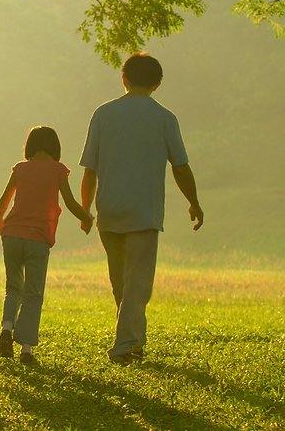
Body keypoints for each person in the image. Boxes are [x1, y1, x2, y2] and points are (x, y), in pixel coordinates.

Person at [79, 52, 204, 363]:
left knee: (120, 281)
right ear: (157, 85)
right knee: (137, 282)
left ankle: (134, 340)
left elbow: (89, 169)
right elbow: (180, 166)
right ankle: (124, 345)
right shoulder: (164, 117)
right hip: (144, 212)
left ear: (124, 79)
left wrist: (85, 209)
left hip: (109, 210)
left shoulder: (103, 114)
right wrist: (194, 202)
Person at [0, 126, 94, 364]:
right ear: (55, 148)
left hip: (12, 235)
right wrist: (86, 218)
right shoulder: (58, 170)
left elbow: (4, 201)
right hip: (38, 239)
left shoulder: (20, 169)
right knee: (33, 293)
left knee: (13, 288)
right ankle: (26, 350)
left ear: (30, 148)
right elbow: (69, 202)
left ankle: (6, 329)